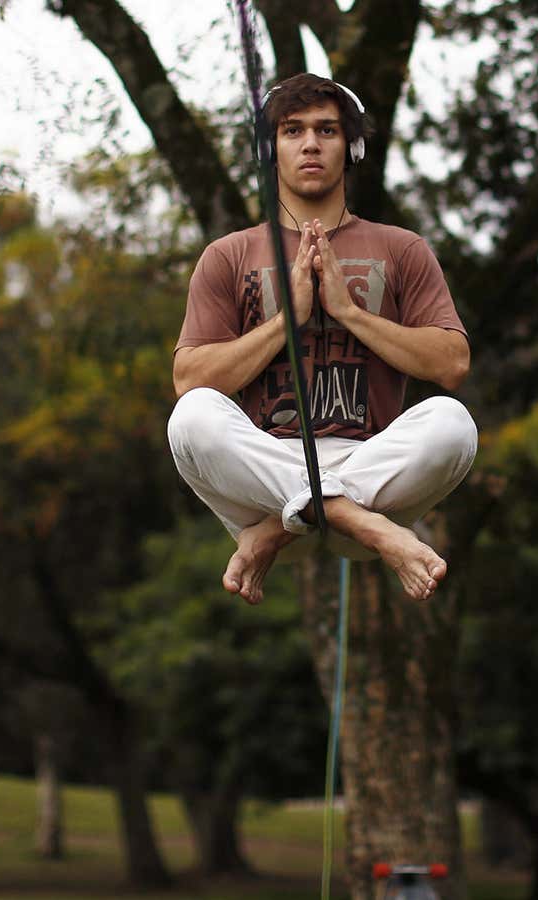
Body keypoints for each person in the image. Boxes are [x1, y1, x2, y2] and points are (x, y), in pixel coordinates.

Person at [167, 72, 477, 605]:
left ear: (350, 147)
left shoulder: (402, 249)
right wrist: (287, 320)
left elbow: (451, 364)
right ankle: (353, 520)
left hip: (372, 469)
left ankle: (291, 523)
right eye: (292, 130)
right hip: (265, 472)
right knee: (192, 417)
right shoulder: (229, 254)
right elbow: (189, 379)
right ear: (270, 149)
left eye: (327, 130)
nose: (310, 143)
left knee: (455, 424)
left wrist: (347, 312)